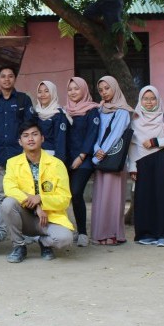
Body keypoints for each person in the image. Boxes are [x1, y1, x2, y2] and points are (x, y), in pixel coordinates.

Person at [1, 121, 74, 263]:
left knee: (65, 239)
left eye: (35, 134)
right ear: (20, 142)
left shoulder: (56, 164)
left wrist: (41, 198)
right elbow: (10, 188)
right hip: (25, 216)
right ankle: (19, 246)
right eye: (26, 136)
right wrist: (36, 205)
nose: (30, 139)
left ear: (42, 138)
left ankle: (44, 243)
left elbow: (64, 198)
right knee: (7, 203)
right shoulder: (12, 163)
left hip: (49, 217)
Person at [128, 86, 164, 247]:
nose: (149, 102)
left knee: (162, 196)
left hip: (160, 160)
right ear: (140, 100)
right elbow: (132, 145)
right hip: (141, 162)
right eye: (146, 99)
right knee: (144, 198)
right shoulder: (135, 120)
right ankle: (147, 233)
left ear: (158, 100)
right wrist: (132, 166)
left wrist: (156, 141)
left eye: (153, 99)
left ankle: (163, 235)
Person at [0, 66, 35, 243]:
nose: (6, 79)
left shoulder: (23, 100)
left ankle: (24, 231)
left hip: (19, 157)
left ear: (14, 79)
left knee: (22, 194)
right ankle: (1, 230)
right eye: (3, 76)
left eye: (10, 76)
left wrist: (26, 153)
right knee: (0, 195)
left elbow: (29, 128)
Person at [90, 76, 133, 246]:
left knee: (113, 197)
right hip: (99, 158)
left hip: (112, 158)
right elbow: (95, 132)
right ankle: (100, 234)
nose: (104, 92)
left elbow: (115, 136)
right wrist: (95, 150)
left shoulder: (122, 111)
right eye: (100, 90)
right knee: (101, 196)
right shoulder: (99, 110)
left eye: (107, 88)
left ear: (115, 88)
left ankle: (113, 234)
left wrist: (101, 153)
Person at [65, 77, 100, 247]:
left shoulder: (92, 110)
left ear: (84, 90)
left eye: (76, 89)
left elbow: (92, 135)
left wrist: (81, 156)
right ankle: (69, 230)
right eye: (70, 89)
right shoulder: (65, 111)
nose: (73, 92)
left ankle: (83, 233)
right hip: (66, 160)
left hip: (83, 160)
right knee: (65, 196)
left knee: (76, 192)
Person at [34, 80, 69, 163]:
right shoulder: (35, 113)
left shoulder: (59, 114)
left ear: (53, 93)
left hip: (51, 157)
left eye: (46, 91)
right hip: (34, 157)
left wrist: (58, 162)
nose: (42, 95)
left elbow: (60, 141)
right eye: (40, 92)